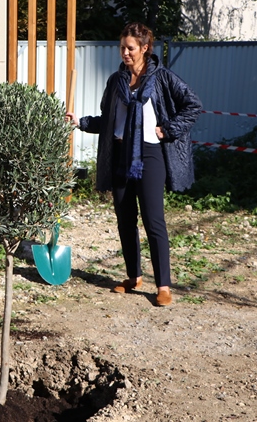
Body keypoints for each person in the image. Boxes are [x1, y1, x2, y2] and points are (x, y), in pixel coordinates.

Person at [67, 22, 202, 306]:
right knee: (125, 219)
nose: (125, 53)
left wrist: (169, 129)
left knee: (154, 221)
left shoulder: (162, 78)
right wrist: (80, 122)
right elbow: (109, 122)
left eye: (130, 48)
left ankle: (163, 285)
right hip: (119, 154)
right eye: (122, 48)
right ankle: (133, 276)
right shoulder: (116, 81)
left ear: (144, 48)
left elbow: (193, 105)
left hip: (150, 156)